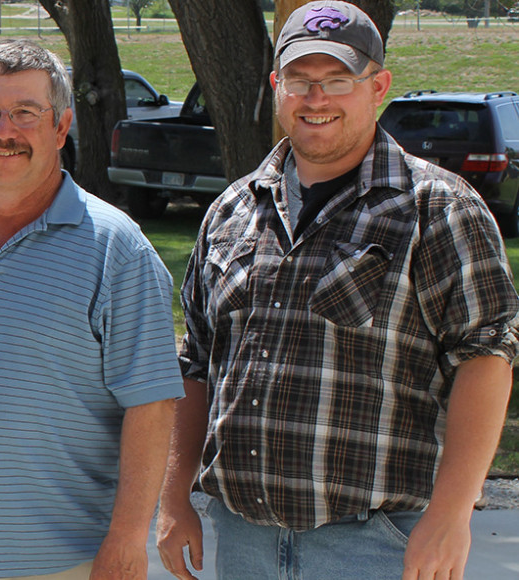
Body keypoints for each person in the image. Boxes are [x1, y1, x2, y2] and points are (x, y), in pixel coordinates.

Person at [157, 3, 519, 579]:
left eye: (338, 81)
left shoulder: (436, 209)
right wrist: (175, 499)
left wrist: (450, 516)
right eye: (300, 81)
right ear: (278, 87)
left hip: (375, 544)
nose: (316, 98)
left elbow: (486, 357)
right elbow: (194, 363)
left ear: (378, 86)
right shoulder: (232, 210)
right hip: (242, 537)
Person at [0, 40, 181, 580]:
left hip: (69, 560)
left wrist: (128, 539)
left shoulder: (116, 247)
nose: (3, 131)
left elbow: (152, 406)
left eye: (25, 113)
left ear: (61, 128)